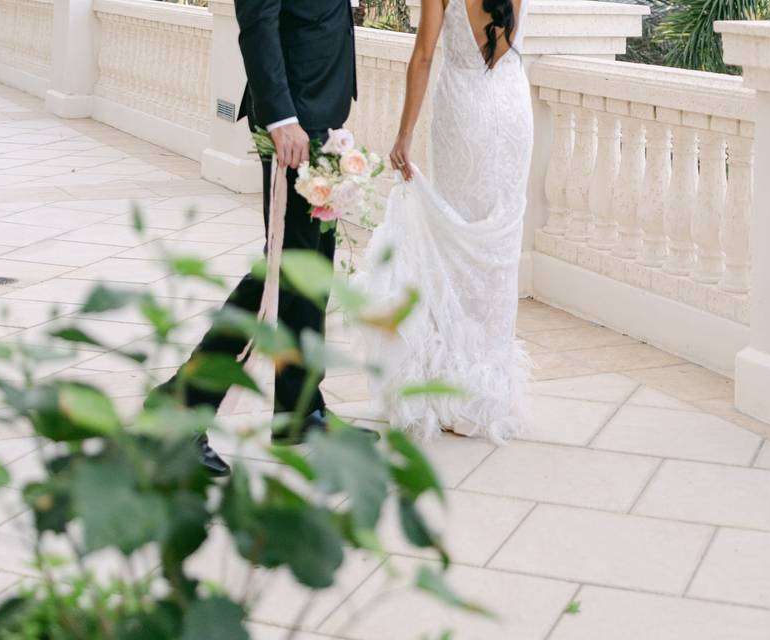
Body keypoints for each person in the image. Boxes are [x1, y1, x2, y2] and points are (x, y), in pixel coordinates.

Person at [153, 0, 365, 475]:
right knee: (281, 273)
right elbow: (257, 19)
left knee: (311, 270)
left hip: (321, 109)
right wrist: (281, 116)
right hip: (293, 116)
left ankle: (301, 410)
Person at [357, 0, 533, 442]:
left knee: (452, 244)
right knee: (497, 252)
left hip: (464, 115)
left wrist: (404, 133)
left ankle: (452, 386)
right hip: (512, 109)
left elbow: (423, 55)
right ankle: (488, 393)